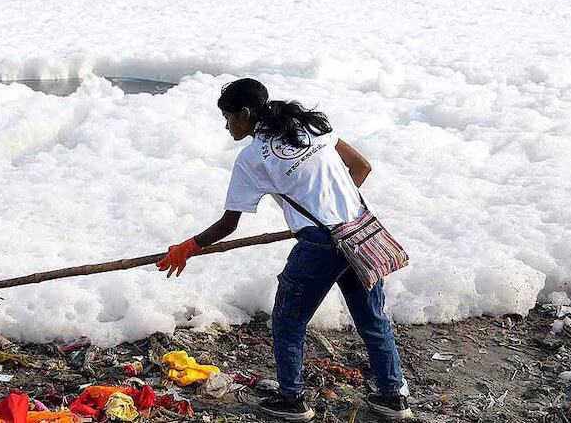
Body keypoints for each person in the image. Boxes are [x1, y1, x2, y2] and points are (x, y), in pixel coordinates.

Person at [156, 78, 413, 421]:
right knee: (372, 318)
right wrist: (328, 206)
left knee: (288, 320)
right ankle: (394, 398)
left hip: (321, 244)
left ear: (245, 115)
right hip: (359, 231)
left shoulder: (252, 157)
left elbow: (229, 224)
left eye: (229, 117)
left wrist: (188, 246)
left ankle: (293, 401)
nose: (227, 125)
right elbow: (361, 168)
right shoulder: (309, 126)